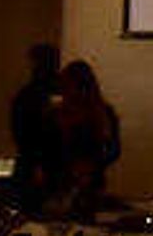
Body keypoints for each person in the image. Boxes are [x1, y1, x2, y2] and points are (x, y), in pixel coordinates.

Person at [46, 59, 122, 208]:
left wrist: (92, 165)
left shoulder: (101, 114)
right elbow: (47, 147)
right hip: (60, 181)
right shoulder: (57, 113)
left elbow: (113, 148)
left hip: (89, 182)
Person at [6, 43, 65, 201]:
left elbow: (20, 132)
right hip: (58, 165)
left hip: (33, 164)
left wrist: (35, 162)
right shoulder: (63, 93)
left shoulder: (27, 94)